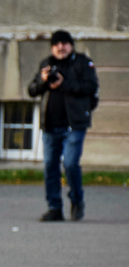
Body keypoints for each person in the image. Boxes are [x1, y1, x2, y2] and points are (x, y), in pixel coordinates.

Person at [28, 30, 99, 222]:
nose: (61, 47)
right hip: (50, 126)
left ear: (71, 45)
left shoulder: (83, 63)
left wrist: (63, 84)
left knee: (70, 164)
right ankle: (54, 208)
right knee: (50, 167)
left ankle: (77, 200)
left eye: (65, 43)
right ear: (52, 47)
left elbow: (90, 87)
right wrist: (43, 81)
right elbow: (32, 91)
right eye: (57, 44)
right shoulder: (46, 64)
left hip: (73, 125)